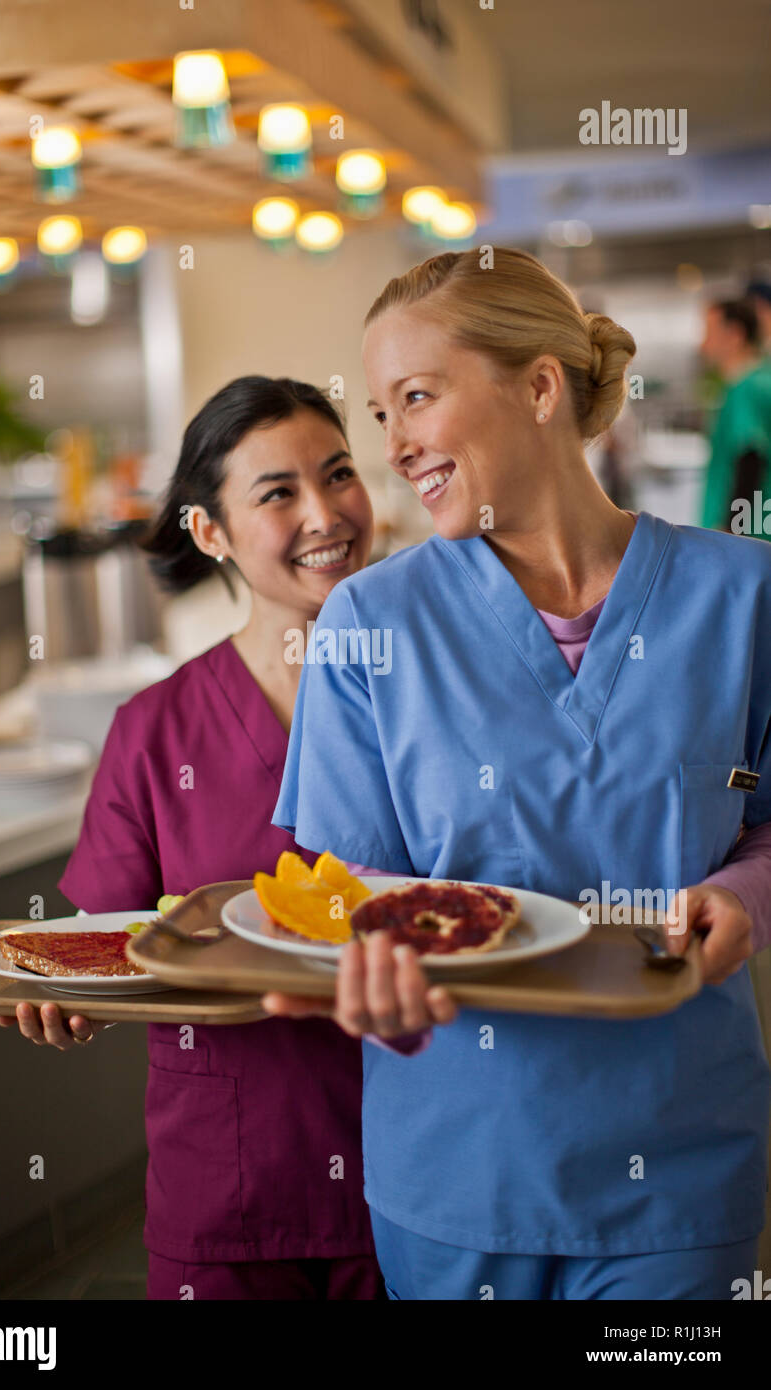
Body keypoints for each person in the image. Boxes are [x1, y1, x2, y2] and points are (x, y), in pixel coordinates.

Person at [264, 247, 771, 1300]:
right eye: (380, 412)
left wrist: (740, 893)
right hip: (454, 1170)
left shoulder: (743, 596)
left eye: (416, 398)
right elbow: (345, 890)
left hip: (673, 1168)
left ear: (538, 387)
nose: (394, 446)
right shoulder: (367, 622)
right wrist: (366, 977)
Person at [0, 376, 385, 1301]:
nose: (326, 513)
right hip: (228, 1184)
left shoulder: (433, 702)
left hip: (411, 1172)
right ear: (209, 532)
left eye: (338, 475)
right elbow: (109, 939)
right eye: (278, 492)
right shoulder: (154, 731)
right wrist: (64, 996)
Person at [699, 298, 771, 539]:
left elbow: (750, 456)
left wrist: (730, 531)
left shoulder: (746, 388)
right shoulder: (761, 379)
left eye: (709, 333)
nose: (703, 345)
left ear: (735, 335)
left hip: (749, 536)